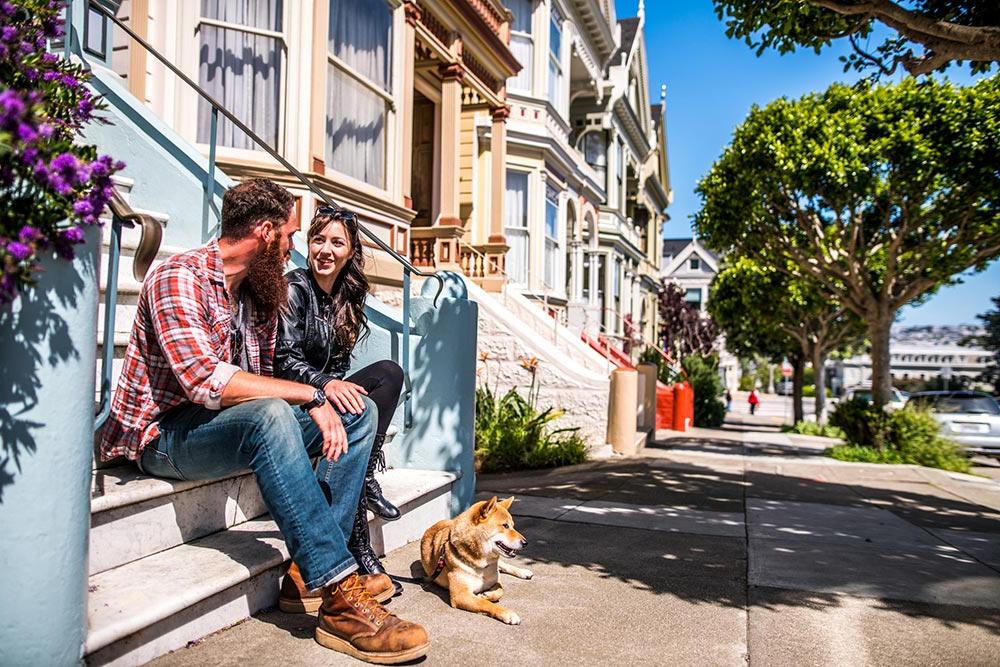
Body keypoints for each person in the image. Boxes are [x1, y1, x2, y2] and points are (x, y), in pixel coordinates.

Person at [98, 179, 429, 664]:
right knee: (273, 412)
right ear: (266, 231)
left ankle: (303, 573)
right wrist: (312, 393)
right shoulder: (179, 277)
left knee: (359, 413)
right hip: (163, 435)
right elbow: (205, 381)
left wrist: (321, 401)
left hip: (226, 424)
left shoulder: (256, 291)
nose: (296, 246)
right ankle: (339, 593)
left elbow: (274, 367)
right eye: (292, 235)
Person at [274, 206, 404, 595]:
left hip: (323, 389)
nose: (325, 250)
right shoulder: (294, 288)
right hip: (294, 397)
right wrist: (324, 386)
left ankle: (363, 481)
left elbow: (340, 363)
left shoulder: (348, 295)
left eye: (336, 242)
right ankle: (359, 550)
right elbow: (283, 358)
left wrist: (333, 386)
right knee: (358, 412)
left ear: (350, 252)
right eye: (318, 239)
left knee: (389, 374)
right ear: (308, 245)